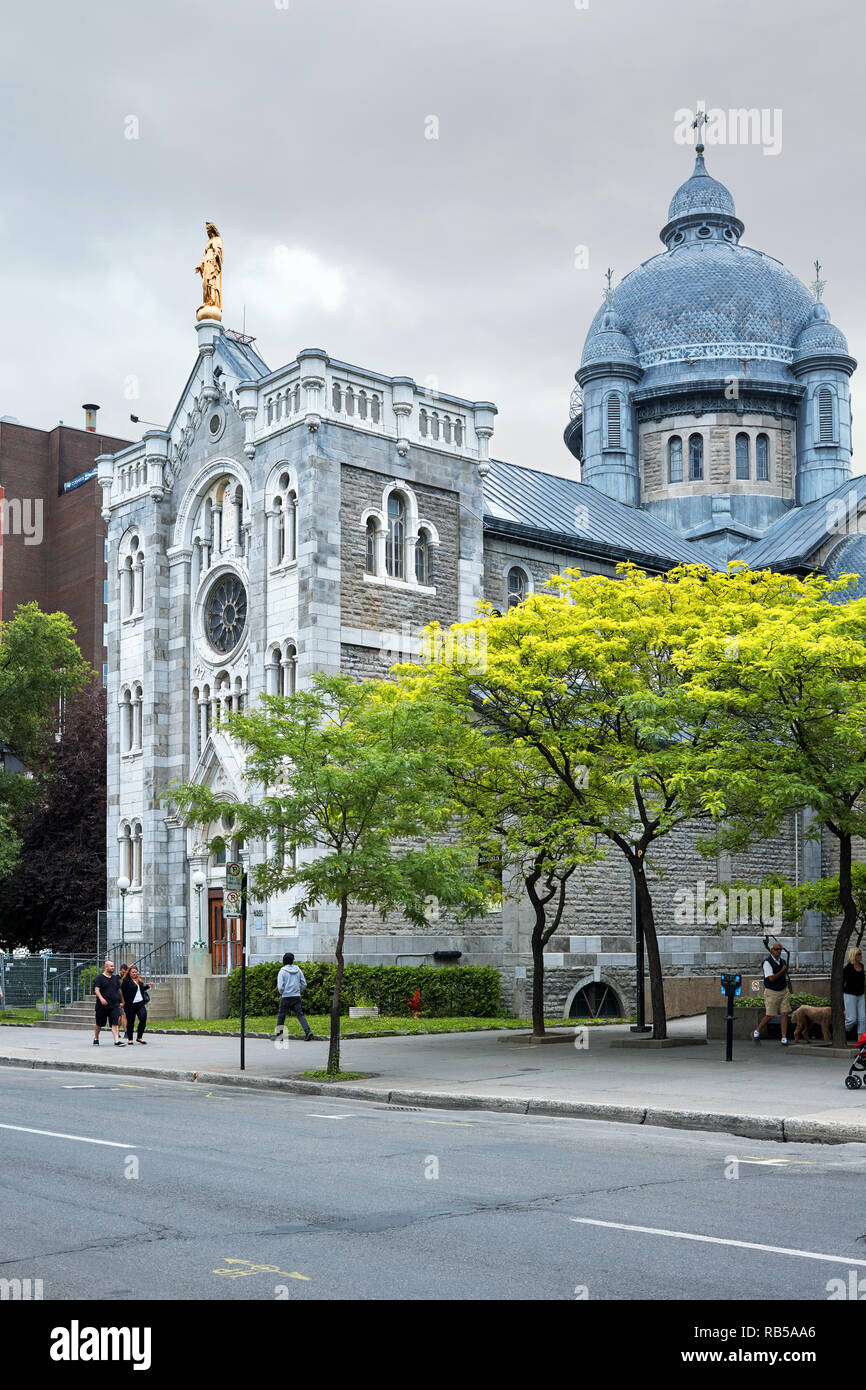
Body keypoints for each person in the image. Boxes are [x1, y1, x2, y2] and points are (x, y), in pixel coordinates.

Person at [753, 941, 791, 1045]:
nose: (779, 951)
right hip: (772, 991)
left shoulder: (782, 961)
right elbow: (771, 978)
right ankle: (757, 1031)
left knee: (784, 1013)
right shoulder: (767, 962)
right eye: (777, 949)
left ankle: (784, 1037)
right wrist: (782, 971)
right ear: (772, 950)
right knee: (770, 1015)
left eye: (780, 949)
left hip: (783, 990)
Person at [275, 953, 315, 1041]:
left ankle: (279, 1035)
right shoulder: (298, 970)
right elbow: (304, 984)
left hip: (286, 997)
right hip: (296, 996)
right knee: (300, 1015)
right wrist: (297, 990)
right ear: (293, 960)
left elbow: (280, 987)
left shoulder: (282, 971)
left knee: (281, 1016)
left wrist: (283, 992)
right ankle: (308, 1031)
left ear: (284, 960)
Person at [93, 960, 125, 1046]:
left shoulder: (115, 978)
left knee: (115, 1022)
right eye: (111, 966)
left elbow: (119, 990)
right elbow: (96, 990)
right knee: (99, 1023)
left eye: (113, 966)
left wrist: (122, 1001)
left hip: (114, 1005)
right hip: (102, 1006)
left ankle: (116, 1041)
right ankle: (96, 1038)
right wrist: (101, 998)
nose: (113, 968)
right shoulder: (99, 978)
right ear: (106, 967)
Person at [121, 965, 151, 1044]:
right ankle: (130, 1039)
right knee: (131, 1021)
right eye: (132, 972)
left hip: (140, 1003)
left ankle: (139, 1037)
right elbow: (122, 992)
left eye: (135, 972)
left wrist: (148, 986)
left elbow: (141, 990)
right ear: (129, 972)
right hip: (130, 1004)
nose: (134, 973)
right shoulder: (126, 981)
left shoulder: (139, 980)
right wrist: (122, 1002)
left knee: (143, 1018)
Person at [843, 945, 866, 1039]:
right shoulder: (848, 968)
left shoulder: (862, 966)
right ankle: (840, 1031)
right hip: (850, 995)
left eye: (861, 954)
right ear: (853, 955)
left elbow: (862, 981)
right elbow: (842, 982)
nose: (861, 956)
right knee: (851, 1019)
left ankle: (861, 1041)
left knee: (863, 1019)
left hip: (860, 995)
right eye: (859, 954)